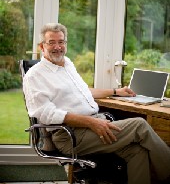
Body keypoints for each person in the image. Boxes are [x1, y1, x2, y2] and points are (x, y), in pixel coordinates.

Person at [23, 23, 170, 184]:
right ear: (41, 46)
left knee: (136, 151)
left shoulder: (67, 64)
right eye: (51, 42)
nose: (57, 47)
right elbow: (47, 113)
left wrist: (115, 91)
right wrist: (92, 122)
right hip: (70, 136)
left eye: (61, 42)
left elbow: (83, 91)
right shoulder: (34, 76)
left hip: (92, 125)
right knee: (139, 125)